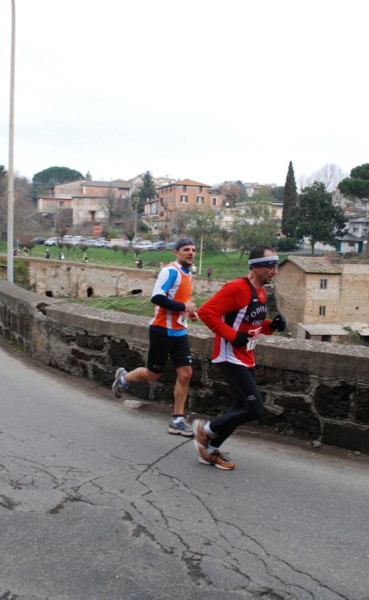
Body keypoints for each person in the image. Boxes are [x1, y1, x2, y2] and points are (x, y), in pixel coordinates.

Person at [193, 245, 286, 470]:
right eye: (271, 266)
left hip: (247, 357)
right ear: (255, 267)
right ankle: (205, 430)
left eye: (276, 266)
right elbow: (206, 312)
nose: (275, 271)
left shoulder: (261, 292)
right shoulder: (236, 288)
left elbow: (249, 324)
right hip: (229, 356)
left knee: (238, 408)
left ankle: (209, 450)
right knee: (254, 409)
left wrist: (270, 326)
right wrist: (233, 337)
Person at [112, 238, 198, 436]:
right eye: (186, 250)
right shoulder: (170, 271)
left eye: (193, 250)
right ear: (176, 252)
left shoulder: (188, 274)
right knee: (153, 374)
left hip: (179, 331)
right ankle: (124, 379)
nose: (191, 253)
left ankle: (177, 419)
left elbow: (180, 300)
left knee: (186, 373)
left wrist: (189, 311)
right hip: (161, 330)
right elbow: (157, 297)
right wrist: (183, 307)